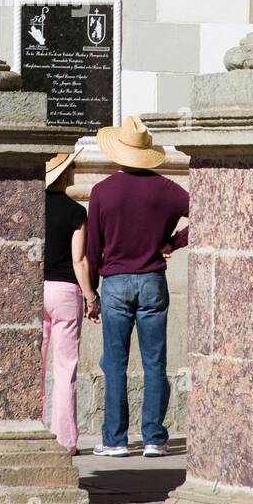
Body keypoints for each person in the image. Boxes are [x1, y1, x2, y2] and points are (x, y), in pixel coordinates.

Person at [87, 115, 189, 459]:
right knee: (154, 361)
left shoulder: (102, 192)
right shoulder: (167, 190)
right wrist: (174, 243)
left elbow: (91, 247)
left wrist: (92, 288)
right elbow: (208, 211)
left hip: (115, 281)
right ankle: (154, 437)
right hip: (152, 281)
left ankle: (115, 439)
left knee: (114, 363)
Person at [42, 151, 100, 456]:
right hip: (65, 291)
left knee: (34, 367)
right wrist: (91, 296)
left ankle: (33, 431)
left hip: (36, 290)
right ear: (64, 175)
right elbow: (79, 260)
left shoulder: (31, 207)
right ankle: (65, 440)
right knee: (65, 368)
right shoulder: (77, 212)